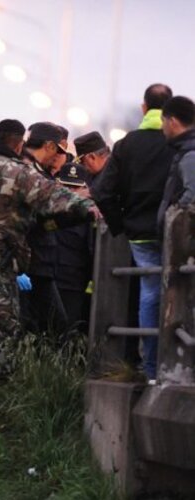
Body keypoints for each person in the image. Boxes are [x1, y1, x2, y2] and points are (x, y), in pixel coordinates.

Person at [0, 119, 99, 375]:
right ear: (19, 143)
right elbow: (55, 197)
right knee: (0, 321)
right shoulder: (19, 172)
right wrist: (91, 209)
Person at [93, 83, 175, 380]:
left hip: (139, 232)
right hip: (176, 232)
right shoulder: (179, 143)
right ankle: (177, 366)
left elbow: (102, 191)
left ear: (144, 108)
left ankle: (150, 368)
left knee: (150, 292)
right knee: (179, 292)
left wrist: (120, 224)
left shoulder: (127, 144)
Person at [21, 122, 70, 336]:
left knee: (44, 326)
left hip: (41, 262)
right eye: (59, 151)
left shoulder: (42, 173)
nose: (60, 157)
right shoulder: (27, 172)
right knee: (54, 326)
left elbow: (44, 222)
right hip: (28, 263)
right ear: (49, 146)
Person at [55, 163, 95, 332]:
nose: (71, 192)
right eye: (66, 186)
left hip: (75, 283)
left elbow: (92, 253)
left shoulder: (90, 216)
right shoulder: (46, 209)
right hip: (48, 279)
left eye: (76, 188)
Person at [158, 95, 195, 231]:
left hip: (183, 239)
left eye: (163, 121)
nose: (162, 127)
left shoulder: (189, 154)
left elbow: (192, 194)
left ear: (172, 121)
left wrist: (174, 212)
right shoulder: (182, 148)